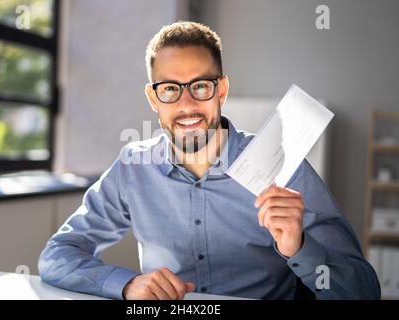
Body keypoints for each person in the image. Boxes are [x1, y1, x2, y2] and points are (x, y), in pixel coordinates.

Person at [38, 21, 380, 300]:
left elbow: (362, 292)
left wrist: (300, 247)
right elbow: (57, 255)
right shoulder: (133, 167)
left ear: (222, 90)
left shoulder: (283, 166)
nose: (186, 104)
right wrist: (125, 284)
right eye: (170, 89)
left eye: (200, 86)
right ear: (153, 99)